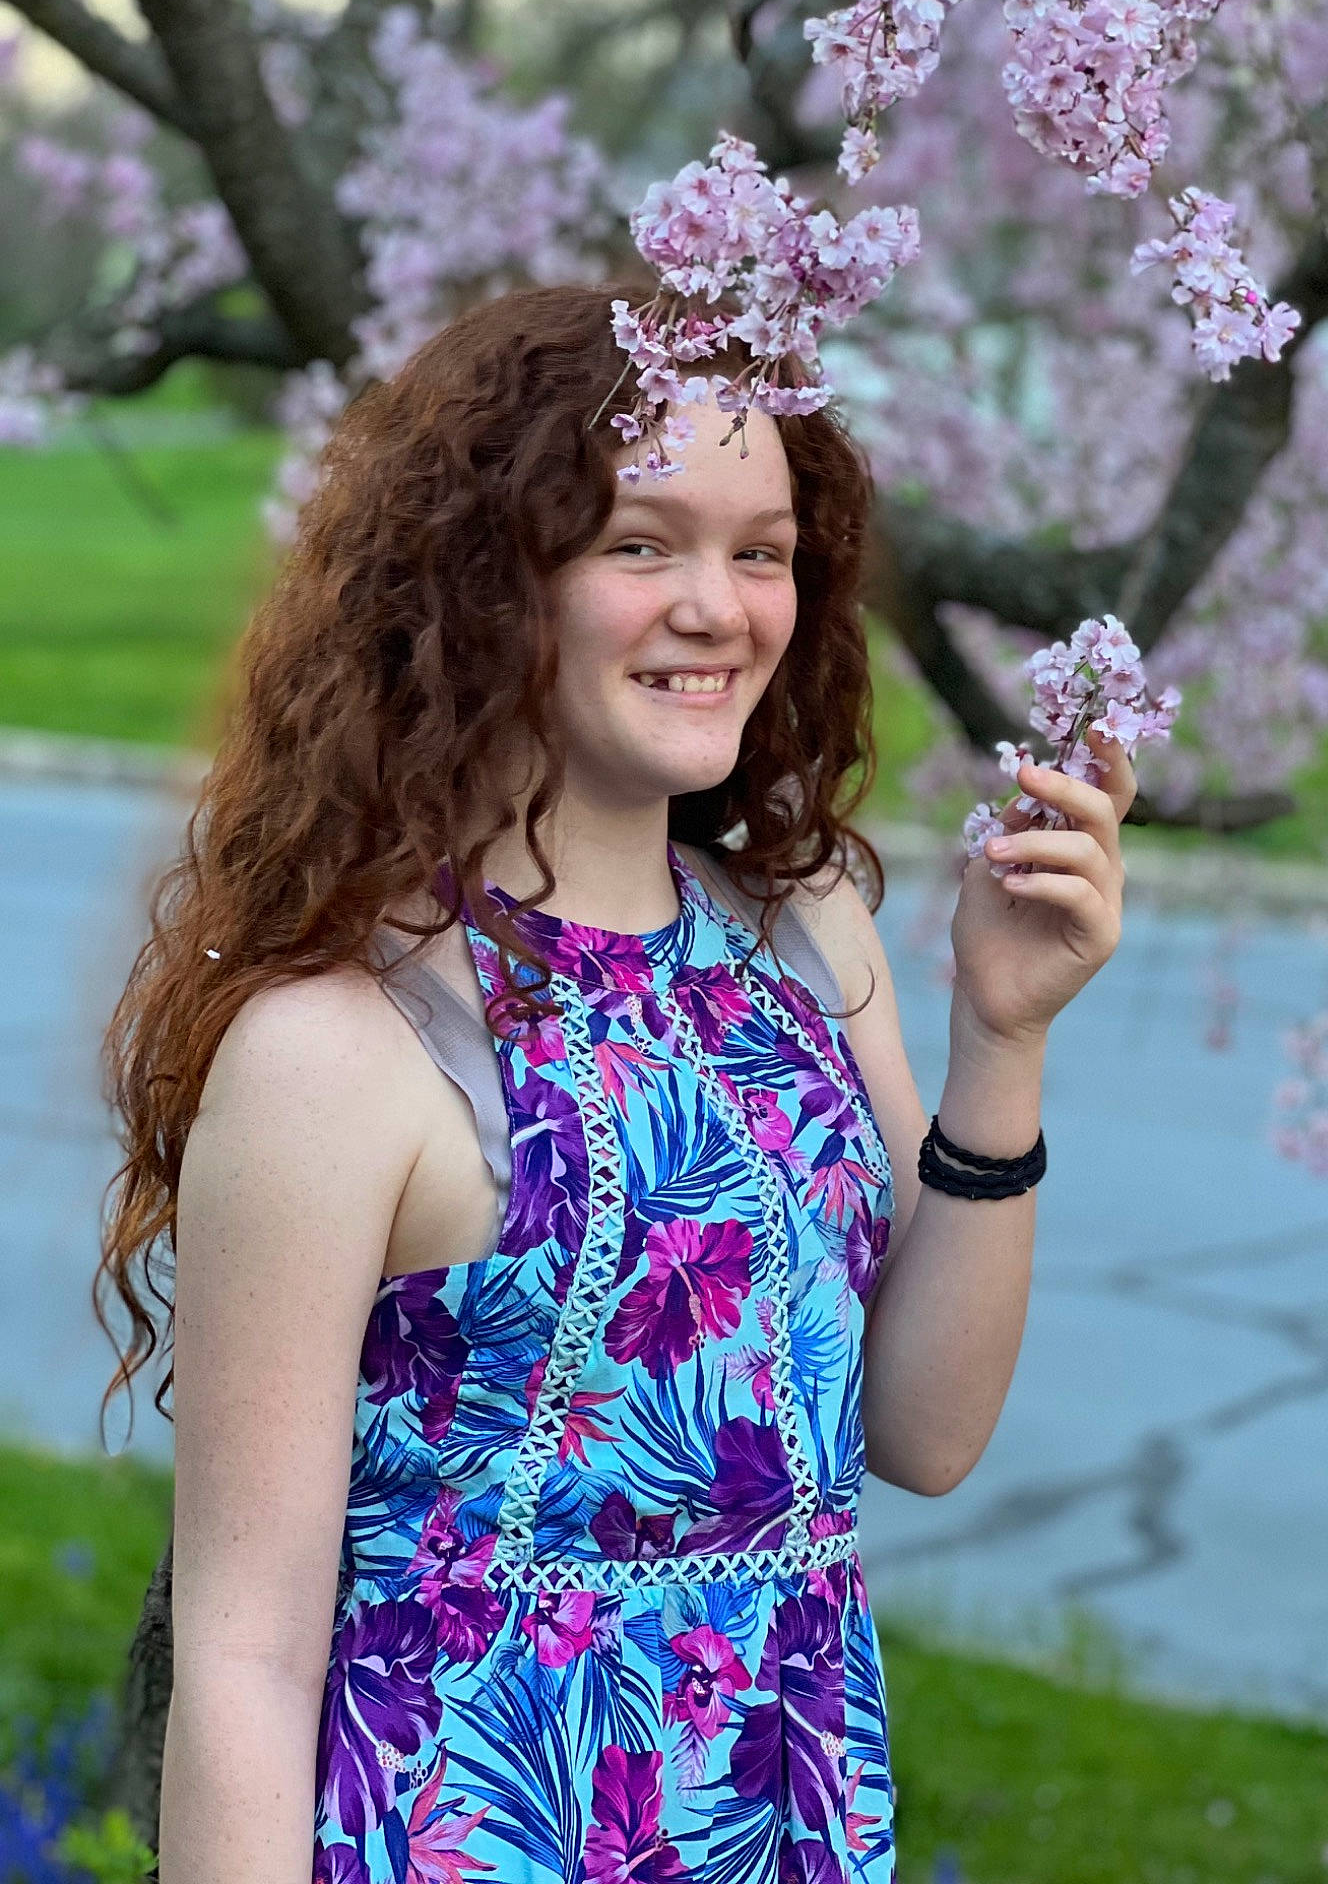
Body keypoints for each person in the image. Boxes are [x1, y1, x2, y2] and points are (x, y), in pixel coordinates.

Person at [100, 283, 1132, 1884]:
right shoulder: (343, 1047)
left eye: (764, 550)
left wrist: (1006, 1037)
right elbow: (245, 1658)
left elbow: (919, 1435)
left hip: (786, 1827)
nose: (718, 607)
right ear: (484, 579)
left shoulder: (803, 936)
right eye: (640, 543)